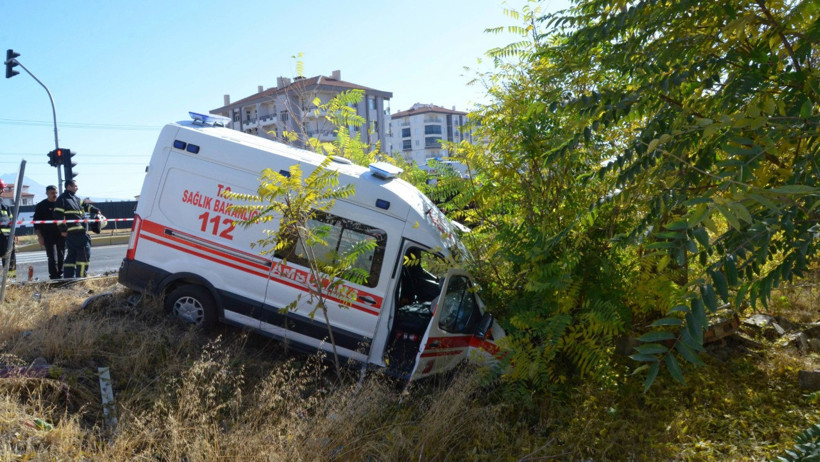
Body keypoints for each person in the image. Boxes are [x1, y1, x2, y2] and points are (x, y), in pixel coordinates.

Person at [54, 180, 100, 278]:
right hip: (76, 233)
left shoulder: (76, 199)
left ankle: (68, 278)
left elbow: (86, 205)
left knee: (72, 256)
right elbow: (58, 215)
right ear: (69, 187)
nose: (77, 188)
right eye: (75, 186)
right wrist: (63, 230)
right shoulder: (62, 199)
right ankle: (81, 278)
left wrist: (96, 210)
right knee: (84, 254)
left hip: (77, 233)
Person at [33, 185, 65, 279]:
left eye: (56, 193)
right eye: (52, 193)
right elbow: (36, 223)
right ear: (47, 193)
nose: (54, 195)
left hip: (61, 234)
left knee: (61, 256)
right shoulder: (41, 206)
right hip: (48, 236)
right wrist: (40, 236)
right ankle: (54, 277)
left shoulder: (61, 204)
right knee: (52, 257)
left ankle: (60, 275)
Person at [0, 179, 16, 280]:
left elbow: (11, 220)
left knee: (10, 260)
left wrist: (13, 234)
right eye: (1, 188)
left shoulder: (4, 204)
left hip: (6, 238)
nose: (2, 190)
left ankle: (11, 282)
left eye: (2, 188)